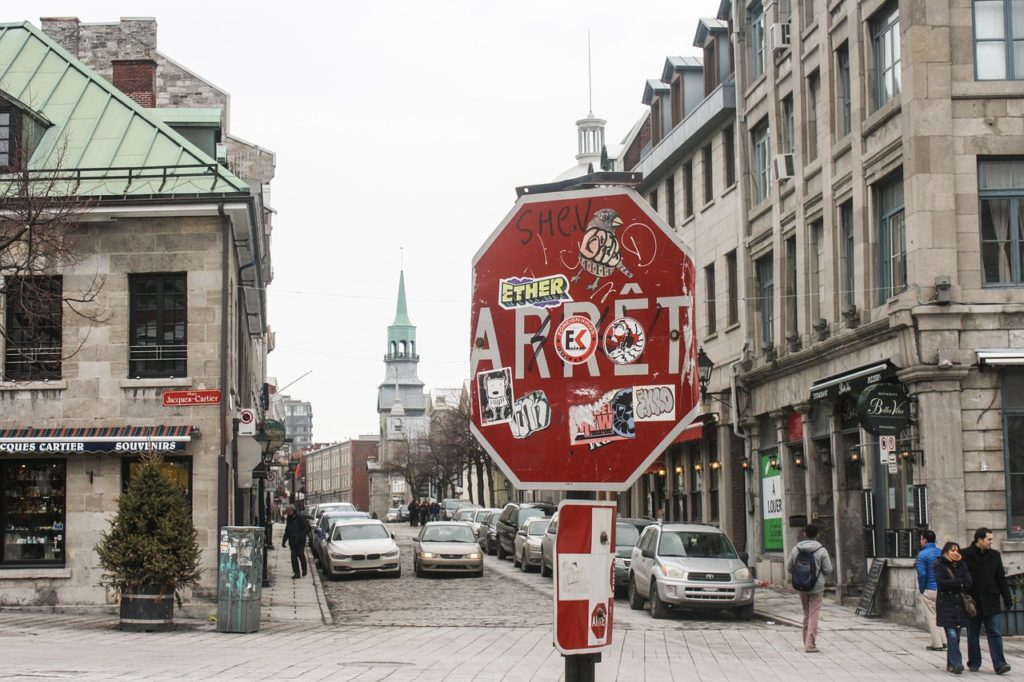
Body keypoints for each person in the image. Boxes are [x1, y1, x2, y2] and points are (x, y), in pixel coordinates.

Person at [962, 528, 1013, 675]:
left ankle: (1000, 663)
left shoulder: (995, 555)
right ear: (979, 539)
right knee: (973, 633)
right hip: (972, 601)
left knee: (995, 632)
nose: (991, 542)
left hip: (991, 600)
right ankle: (974, 662)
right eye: (989, 539)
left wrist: (1007, 599)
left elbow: (1001, 579)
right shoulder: (965, 554)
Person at [786, 524, 833, 653]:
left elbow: (789, 568)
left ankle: (805, 640)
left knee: (806, 613)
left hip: (801, 585)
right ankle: (810, 644)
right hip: (817, 587)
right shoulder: (821, 550)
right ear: (817, 535)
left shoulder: (796, 549)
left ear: (804, 534)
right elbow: (828, 569)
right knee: (814, 614)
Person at [936, 541, 972, 675]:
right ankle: (957, 663)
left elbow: (969, 583)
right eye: (952, 550)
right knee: (951, 636)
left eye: (957, 551)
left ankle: (950, 663)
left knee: (956, 636)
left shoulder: (963, 565)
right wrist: (959, 582)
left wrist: (956, 583)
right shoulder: (940, 565)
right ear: (946, 552)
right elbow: (942, 583)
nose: (956, 553)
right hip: (946, 604)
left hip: (960, 605)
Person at [916, 529, 946, 651]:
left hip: (929, 589)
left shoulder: (922, 555)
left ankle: (937, 643)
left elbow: (921, 574)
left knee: (932, 617)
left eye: (921, 539)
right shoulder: (941, 552)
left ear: (924, 540)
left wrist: (922, 589)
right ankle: (945, 640)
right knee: (941, 615)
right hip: (942, 588)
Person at [281, 504, 309, 579]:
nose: (288, 512)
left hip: (300, 541)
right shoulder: (289, 519)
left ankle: (304, 569)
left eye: (289, 510)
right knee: (293, 557)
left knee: (301, 555)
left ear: (293, 510)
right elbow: (287, 530)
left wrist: (301, 537)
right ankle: (296, 573)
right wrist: (284, 541)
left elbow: (305, 529)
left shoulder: (299, 518)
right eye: (287, 511)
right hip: (292, 541)